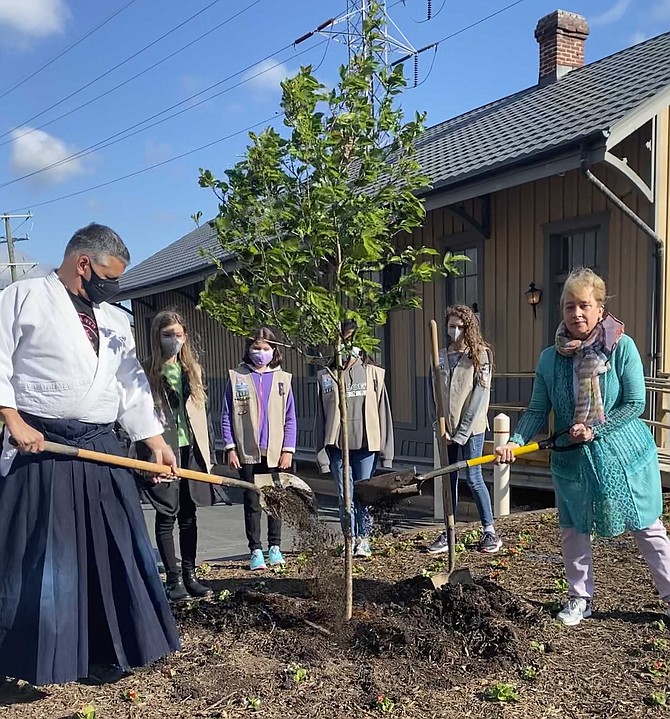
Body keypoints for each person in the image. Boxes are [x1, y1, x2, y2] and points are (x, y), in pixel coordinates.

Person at [0, 223, 180, 686]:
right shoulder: (23, 297)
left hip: (101, 445)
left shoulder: (116, 318)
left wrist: (154, 440)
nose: (113, 287)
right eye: (109, 276)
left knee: (113, 547)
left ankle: (108, 651)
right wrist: (13, 419)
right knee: (41, 556)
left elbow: (131, 384)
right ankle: (29, 661)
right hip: (42, 445)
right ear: (84, 263)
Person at [496, 267, 670, 626]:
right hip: (572, 461)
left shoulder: (621, 347)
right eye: (569, 306)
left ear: (600, 309)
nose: (577, 313)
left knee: (646, 526)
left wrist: (596, 430)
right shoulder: (550, 358)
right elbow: (538, 409)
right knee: (573, 529)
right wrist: (514, 441)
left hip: (622, 456)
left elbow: (635, 404)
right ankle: (580, 598)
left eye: (584, 305)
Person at [134, 309, 231, 601]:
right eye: (167, 335)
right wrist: (148, 458)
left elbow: (204, 417)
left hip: (191, 451)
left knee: (189, 516)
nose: (173, 340)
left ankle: (191, 574)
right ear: (156, 337)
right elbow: (137, 419)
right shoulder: (145, 371)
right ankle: (173, 578)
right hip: (162, 451)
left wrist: (209, 460)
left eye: (178, 334)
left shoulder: (193, 370)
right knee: (167, 514)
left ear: (185, 336)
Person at [315, 320, 394, 558]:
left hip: (365, 445)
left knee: (364, 493)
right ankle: (349, 538)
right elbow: (320, 417)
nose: (347, 345)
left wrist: (386, 453)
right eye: (342, 340)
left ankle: (364, 539)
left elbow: (383, 413)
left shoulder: (373, 373)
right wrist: (321, 456)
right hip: (338, 447)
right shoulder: (326, 375)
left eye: (351, 340)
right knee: (345, 495)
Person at [427, 305, 502, 555]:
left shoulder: (480, 356)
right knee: (449, 480)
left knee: (473, 476)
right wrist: (440, 426)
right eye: (451, 326)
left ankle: (489, 530)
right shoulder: (438, 356)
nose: (455, 331)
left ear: (469, 328)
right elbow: (434, 394)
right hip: (446, 430)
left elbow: (479, 398)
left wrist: (460, 433)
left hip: (472, 429)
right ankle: (449, 531)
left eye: (460, 326)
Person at [221, 328, 296, 570]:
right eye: (256, 348)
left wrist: (288, 450)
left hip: (275, 452)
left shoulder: (283, 379)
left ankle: (275, 546)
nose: (260, 353)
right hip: (247, 451)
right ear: (248, 349)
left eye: (265, 349)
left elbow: (290, 417)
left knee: (275, 500)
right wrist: (230, 448)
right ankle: (255, 550)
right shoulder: (237, 377)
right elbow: (226, 415)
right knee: (252, 500)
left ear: (274, 350)